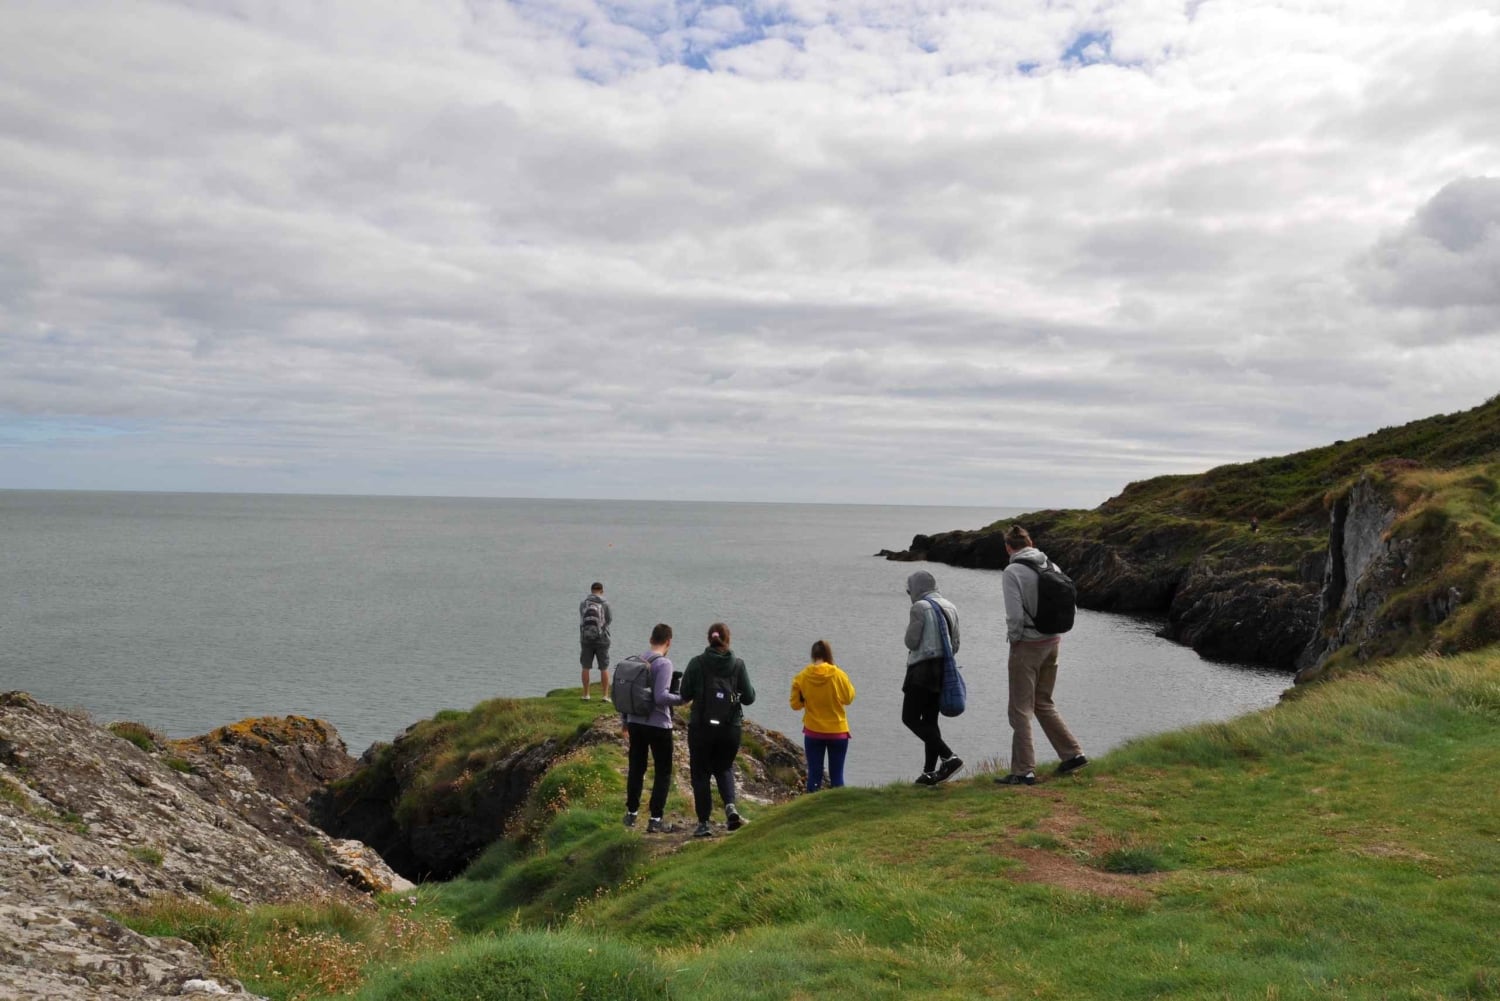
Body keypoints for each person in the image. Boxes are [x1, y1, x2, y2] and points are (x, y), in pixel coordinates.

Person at [997, 525, 1087, 786]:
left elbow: (1014, 616)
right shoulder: (1050, 564)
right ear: (1031, 542)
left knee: (1020, 709)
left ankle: (1024, 771)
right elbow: (1071, 604)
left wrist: (1015, 641)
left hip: (1028, 645)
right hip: (1054, 641)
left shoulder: (1012, 571)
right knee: (1043, 701)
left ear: (1008, 547)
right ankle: (1073, 754)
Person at [680, 622, 756, 837]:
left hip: (701, 728)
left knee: (701, 773)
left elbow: (684, 693)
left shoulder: (697, 663)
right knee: (724, 767)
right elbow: (749, 698)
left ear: (709, 639)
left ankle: (704, 824)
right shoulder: (738, 665)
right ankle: (730, 807)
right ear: (727, 639)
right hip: (730, 728)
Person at [622, 623, 684, 833]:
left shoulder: (638, 660)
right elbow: (660, 697)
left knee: (636, 769)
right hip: (658, 724)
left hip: (635, 722)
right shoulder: (664, 664)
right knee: (663, 772)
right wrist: (682, 698)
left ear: (651, 639)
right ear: (669, 642)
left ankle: (631, 814)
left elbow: (628, 694)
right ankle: (655, 818)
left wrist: (625, 722)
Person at [903, 571, 963, 785]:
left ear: (917, 588)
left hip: (921, 670)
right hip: (943, 669)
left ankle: (949, 757)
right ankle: (929, 773)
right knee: (930, 721)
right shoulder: (950, 606)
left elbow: (911, 642)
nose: (909, 593)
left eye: (909, 589)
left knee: (909, 718)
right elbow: (955, 644)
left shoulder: (919, 607)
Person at [789, 639, 856, 791]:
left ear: (813, 655)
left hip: (814, 732)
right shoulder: (838, 674)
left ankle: (810, 808)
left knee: (814, 775)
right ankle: (838, 809)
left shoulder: (801, 677)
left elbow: (795, 705)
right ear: (829, 655)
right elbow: (849, 698)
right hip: (838, 732)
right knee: (837, 777)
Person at [579, 582, 613, 700]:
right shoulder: (605, 604)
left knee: (585, 667)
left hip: (586, 639)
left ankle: (586, 694)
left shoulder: (584, 603)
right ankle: (605, 696)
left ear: (591, 590)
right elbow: (609, 620)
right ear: (602, 591)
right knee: (603, 667)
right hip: (602, 639)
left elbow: (582, 619)